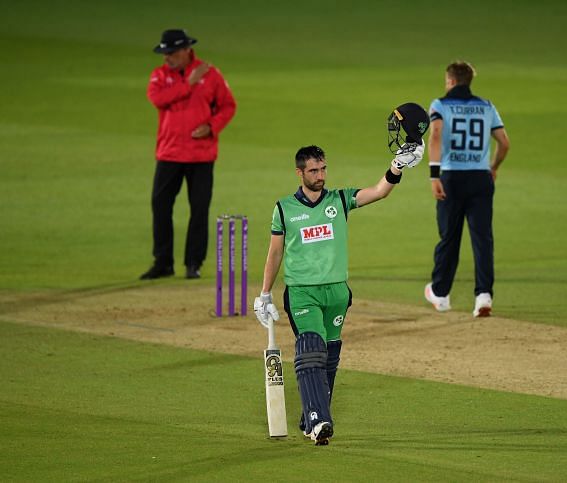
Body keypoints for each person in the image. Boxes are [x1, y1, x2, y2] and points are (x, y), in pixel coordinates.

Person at [253, 103, 429, 446]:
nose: (320, 175)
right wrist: (264, 293)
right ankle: (321, 420)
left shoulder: (340, 199)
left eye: (323, 169)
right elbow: (275, 252)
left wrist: (396, 167)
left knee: (330, 358)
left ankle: (309, 419)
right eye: (314, 170)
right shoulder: (284, 209)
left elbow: (379, 191)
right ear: (299, 173)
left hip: (337, 292)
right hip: (303, 292)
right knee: (311, 350)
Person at [140, 29, 237, 280]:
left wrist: (212, 126)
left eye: (171, 53)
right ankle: (163, 262)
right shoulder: (160, 76)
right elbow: (157, 99)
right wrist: (189, 83)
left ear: (185, 51)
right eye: (164, 53)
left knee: (199, 208)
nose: (167, 58)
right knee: (160, 206)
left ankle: (193, 263)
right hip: (170, 152)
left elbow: (228, 105)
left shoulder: (211, 74)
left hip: (201, 155)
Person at [423, 61, 510, 317]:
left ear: (450, 81)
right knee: (482, 239)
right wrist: (493, 167)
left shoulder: (440, 105)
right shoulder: (486, 106)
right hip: (480, 179)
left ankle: (441, 294)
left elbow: (436, 136)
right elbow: (504, 143)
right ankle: (483, 296)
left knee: (449, 237)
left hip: (451, 178)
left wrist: (433, 175)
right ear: (469, 80)